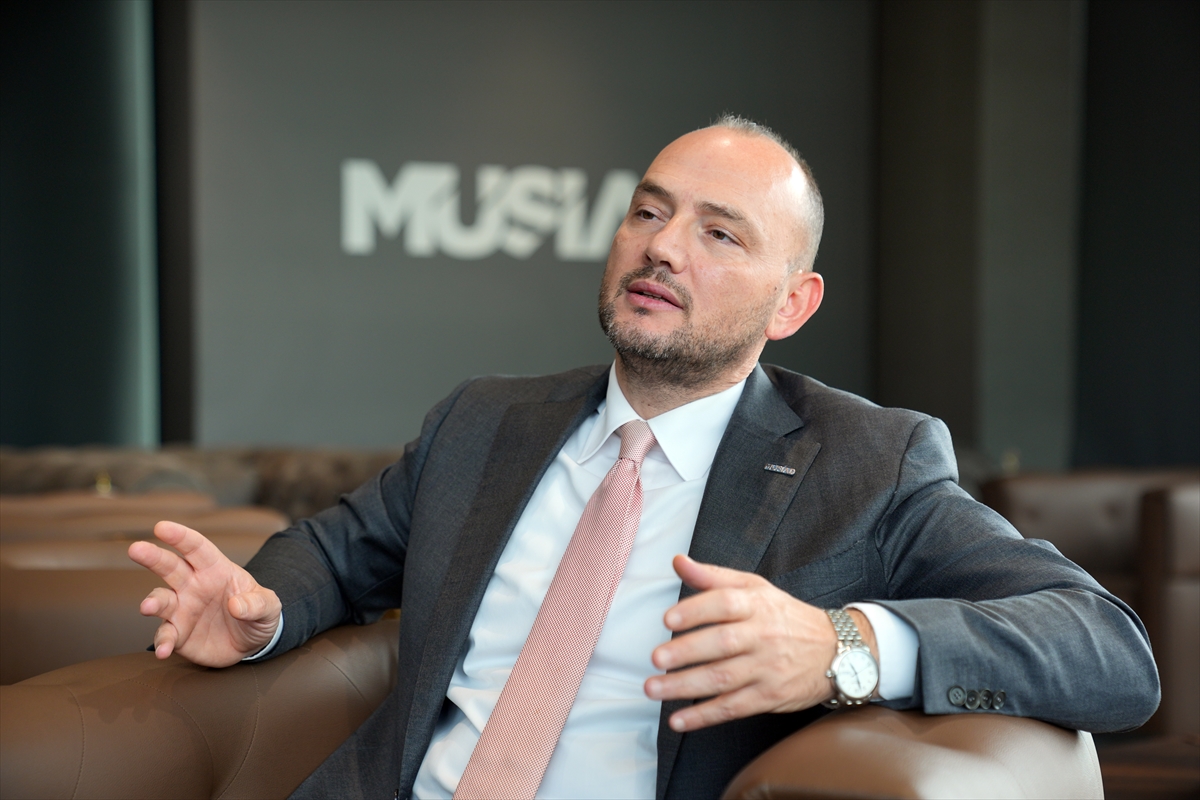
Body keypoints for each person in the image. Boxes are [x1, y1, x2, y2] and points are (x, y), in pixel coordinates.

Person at [128, 116, 1159, 800]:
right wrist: (263, 609)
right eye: (650, 211)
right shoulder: (485, 421)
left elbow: (1108, 648)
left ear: (792, 304)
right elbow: (335, 549)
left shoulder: (868, 462)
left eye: (721, 234)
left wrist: (841, 645)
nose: (663, 246)